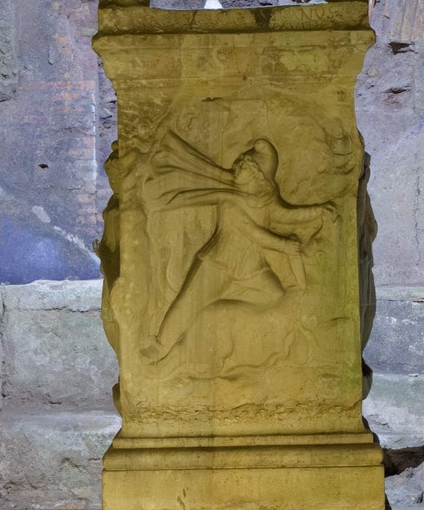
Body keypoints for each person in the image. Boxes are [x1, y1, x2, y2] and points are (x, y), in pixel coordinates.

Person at [140, 131, 334, 362]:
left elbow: (287, 215)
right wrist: (283, 244)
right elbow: (253, 233)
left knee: (274, 296)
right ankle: (160, 346)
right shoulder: (231, 201)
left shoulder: (267, 201)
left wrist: (318, 211)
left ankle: (227, 312)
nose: (237, 167)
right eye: (239, 163)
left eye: (244, 165)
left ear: (259, 177)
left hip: (250, 269)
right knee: (187, 303)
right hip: (218, 264)